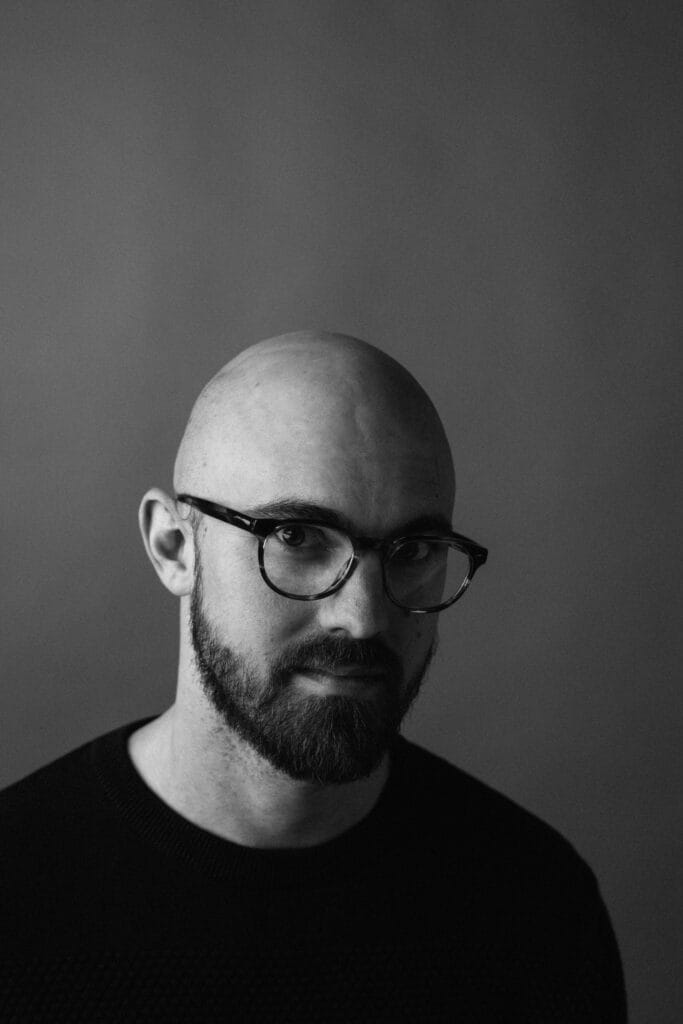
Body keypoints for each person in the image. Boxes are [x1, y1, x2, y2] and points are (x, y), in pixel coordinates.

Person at [0, 331, 627, 1021]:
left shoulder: (535, 909)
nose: (362, 617)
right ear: (173, 547)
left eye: (415, 549)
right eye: (295, 538)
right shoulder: (19, 894)